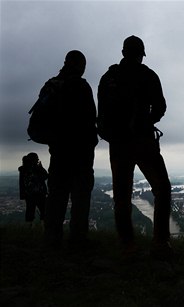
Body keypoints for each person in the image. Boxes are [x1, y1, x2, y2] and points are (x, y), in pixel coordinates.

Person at [98, 35, 172, 258]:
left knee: (122, 195)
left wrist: (112, 134)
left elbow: (101, 115)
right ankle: (160, 243)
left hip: (118, 144)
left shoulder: (108, 77)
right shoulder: (148, 76)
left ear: (123, 53)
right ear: (140, 54)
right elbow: (160, 107)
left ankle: (127, 244)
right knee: (162, 188)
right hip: (143, 141)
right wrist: (146, 122)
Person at [40, 50, 98, 247]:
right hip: (81, 154)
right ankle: (78, 239)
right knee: (80, 197)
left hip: (59, 152)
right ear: (80, 66)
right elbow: (91, 119)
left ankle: (52, 238)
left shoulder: (51, 86)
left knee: (56, 195)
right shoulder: (82, 87)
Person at [18, 152, 48, 226]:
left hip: (29, 194)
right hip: (40, 193)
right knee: (44, 212)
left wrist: (22, 195)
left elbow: (21, 183)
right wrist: (41, 168)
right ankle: (43, 229)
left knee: (30, 212)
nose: (37, 160)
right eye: (37, 159)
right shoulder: (36, 168)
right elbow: (45, 177)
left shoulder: (23, 169)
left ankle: (30, 229)